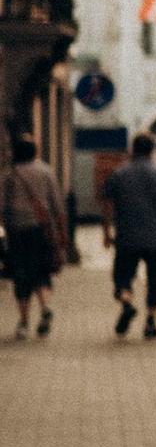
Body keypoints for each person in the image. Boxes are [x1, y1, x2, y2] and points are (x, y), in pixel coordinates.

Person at [110, 140, 156, 340]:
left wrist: (106, 232)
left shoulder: (120, 174)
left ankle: (126, 302)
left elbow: (108, 202)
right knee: (155, 281)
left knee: (122, 277)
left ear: (133, 149)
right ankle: (151, 322)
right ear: (152, 150)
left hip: (126, 238)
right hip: (155, 239)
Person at [3, 130, 69, 340]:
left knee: (21, 274)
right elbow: (58, 205)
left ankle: (23, 323)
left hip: (17, 230)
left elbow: (1, 205)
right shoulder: (46, 171)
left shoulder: (9, 174)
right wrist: (62, 233)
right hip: (42, 230)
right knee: (42, 271)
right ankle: (46, 306)